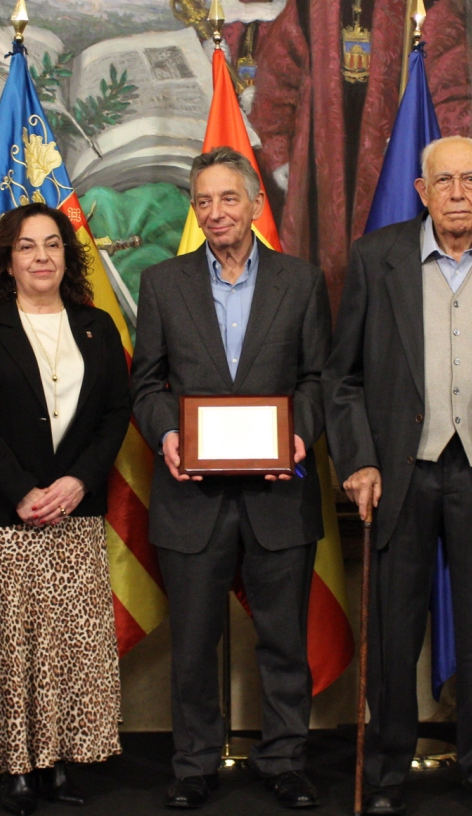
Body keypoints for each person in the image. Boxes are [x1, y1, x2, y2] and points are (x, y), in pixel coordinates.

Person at [325, 136, 472, 816]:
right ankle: (389, 769)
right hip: (400, 472)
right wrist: (359, 459)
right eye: (444, 181)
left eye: (470, 180)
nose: (457, 193)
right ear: (422, 192)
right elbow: (343, 379)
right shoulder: (376, 258)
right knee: (394, 631)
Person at [130, 147, 331, 810]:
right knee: (192, 643)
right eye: (203, 201)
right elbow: (147, 384)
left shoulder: (300, 282)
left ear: (252, 204)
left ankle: (283, 758)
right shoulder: (162, 283)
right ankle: (193, 764)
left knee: (283, 640)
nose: (216, 212)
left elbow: (316, 378)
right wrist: (167, 435)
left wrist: (300, 432)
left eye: (228, 199)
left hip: (279, 492)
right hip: (193, 497)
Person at [0, 203, 129, 815]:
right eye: (27, 246)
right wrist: (22, 489)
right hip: (3, 513)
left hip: (76, 508)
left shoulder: (97, 326)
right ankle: (16, 768)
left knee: (73, 642)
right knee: (13, 641)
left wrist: (78, 481)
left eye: (52, 245)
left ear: (66, 254)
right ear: (7, 258)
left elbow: (114, 416)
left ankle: (55, 763)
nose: (42, 257)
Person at [251, 0, 472, 312]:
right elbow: (277, 77)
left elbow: (450, 87)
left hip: (394, 162)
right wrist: (278, 154)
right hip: (319, 168)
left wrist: (438, 161)